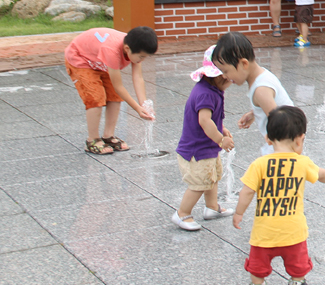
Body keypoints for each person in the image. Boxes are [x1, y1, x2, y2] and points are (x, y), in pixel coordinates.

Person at [233, 106, 325, 285]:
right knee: (297, 262)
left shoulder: (259, 165)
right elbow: (321, 174)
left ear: (268, 138)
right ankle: (297, 284)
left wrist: (239, 213)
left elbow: (247, 191)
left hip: (264, 232)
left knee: (258, 263)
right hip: (293, 231)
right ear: (299, 139)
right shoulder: (302, 162)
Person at [172, 46, 236, 231]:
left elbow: (213, 119)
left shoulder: (212, 89)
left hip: (207, 148)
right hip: (196, 150)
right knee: (199, 183)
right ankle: (182, 213)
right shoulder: (205, 93)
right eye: (229, 78)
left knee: (212, 177)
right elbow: (204, 121)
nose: (231, 81)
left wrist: (221, 129)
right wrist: (220, 139)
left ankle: (212, 208)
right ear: (220, 75)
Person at [65, 26, 157, 155]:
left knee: (114, 96)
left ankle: (108, 136)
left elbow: (138, 77)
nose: (142, 60)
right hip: (81, 59)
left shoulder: (135, 44)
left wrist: (144, 105)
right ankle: (92, 140)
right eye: (141, 57)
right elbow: (118, 86)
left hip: (99, 60)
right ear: (127, 49)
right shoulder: (112, 50)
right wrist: (137, 108)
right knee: (95, 98)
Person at [212, 31, 295, 157]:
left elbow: (279, 121)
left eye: (226, 71)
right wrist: (254, 113)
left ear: (244, 64)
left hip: (281, 147)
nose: (224, 76)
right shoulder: (262, 76)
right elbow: (275, 107)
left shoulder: (260, 90)